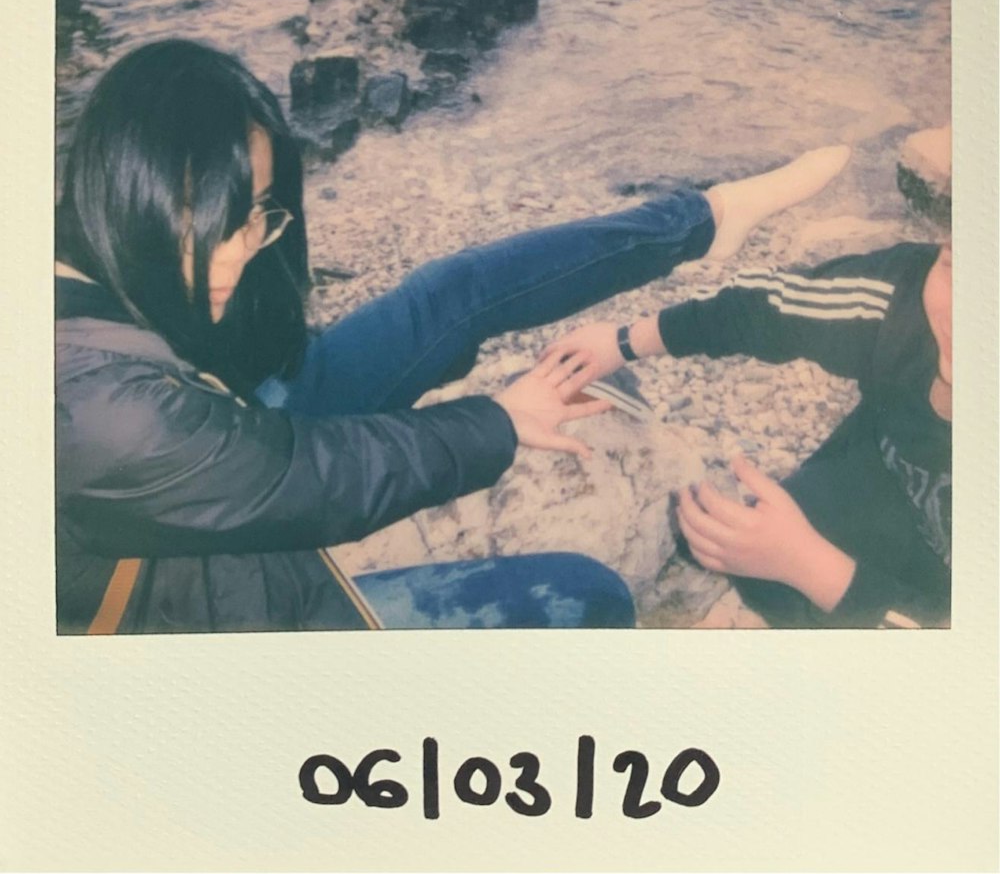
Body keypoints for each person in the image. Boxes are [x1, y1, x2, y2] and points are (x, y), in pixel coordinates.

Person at [55, 38, 851, 634]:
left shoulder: (78, 274)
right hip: (250, 637)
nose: (244, 249)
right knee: (590, 597)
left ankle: (704, 220)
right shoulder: (101, 409)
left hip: (243, 425)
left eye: (257, 212)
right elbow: (321, 478)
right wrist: (500, 422)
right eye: (218, 219)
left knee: (451, 295)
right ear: (129, 186)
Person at [547, 230, 952, 628]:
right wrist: (622, 342)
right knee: (744, 562)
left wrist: (808, 564)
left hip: (929, 610)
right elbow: (766, 307)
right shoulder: (902, 297)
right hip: (878, 502)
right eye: (954, 268)